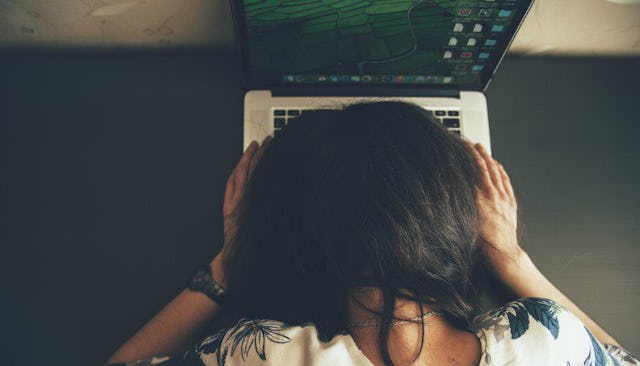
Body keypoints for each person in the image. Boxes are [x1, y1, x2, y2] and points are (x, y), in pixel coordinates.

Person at [106, 102, 638, 366]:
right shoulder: (546, 342)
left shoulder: (263, 356)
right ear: (453, 219)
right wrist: (512, 257)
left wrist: (226, 265)